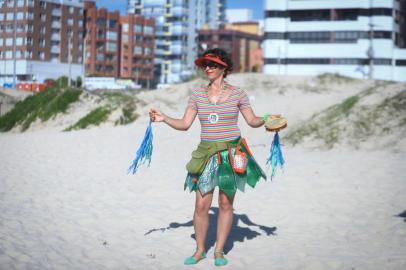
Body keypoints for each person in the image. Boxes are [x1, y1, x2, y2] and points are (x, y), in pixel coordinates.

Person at [149, 48, 274, 266]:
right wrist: (164, 118)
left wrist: (266, 118)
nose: (207, 68)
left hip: (231, 154)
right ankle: (199, 250)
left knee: (225, 205)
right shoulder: (197, 94)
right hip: (206, 155)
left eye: (212, 64)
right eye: (205, 65)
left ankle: (219, 251)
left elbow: (252, 120)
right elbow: (185, 124)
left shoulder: (238, 94)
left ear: (224, 68)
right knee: (200, 206)